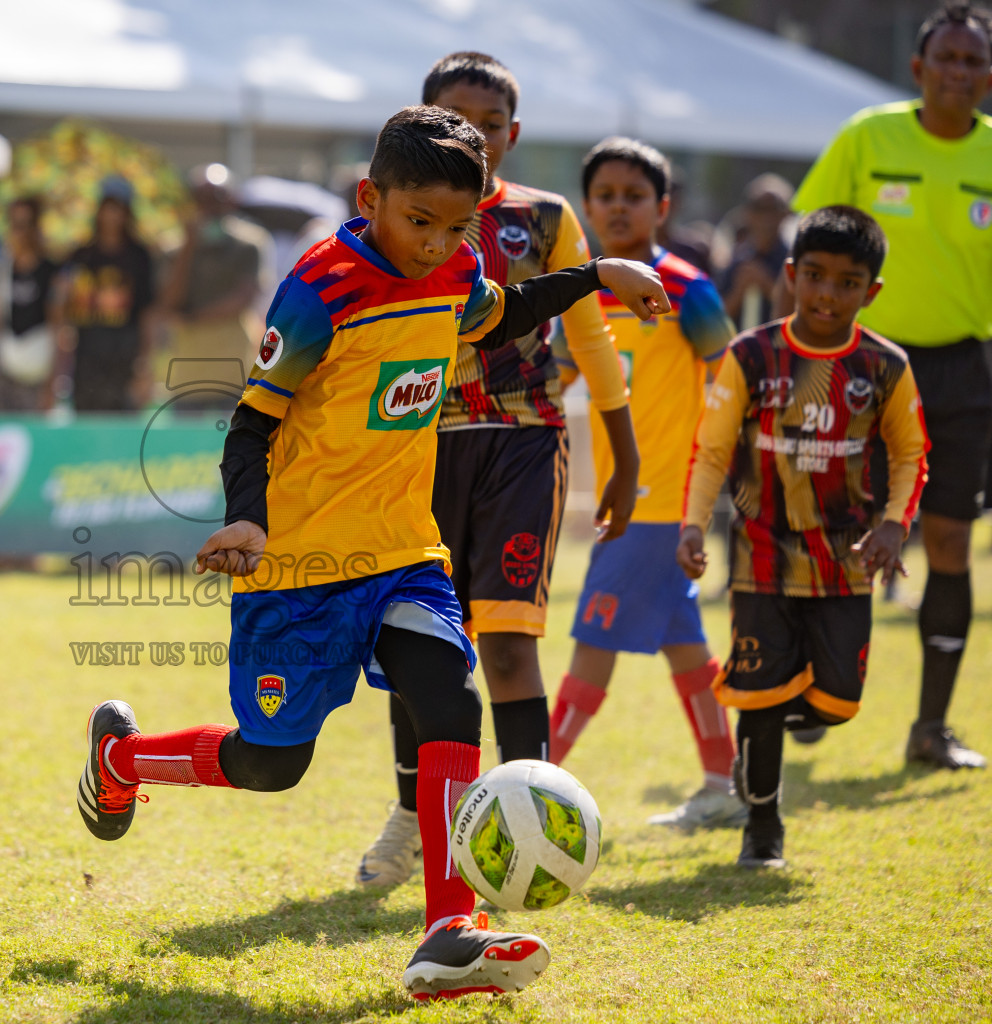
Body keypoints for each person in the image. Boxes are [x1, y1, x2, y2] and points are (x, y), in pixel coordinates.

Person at [76, 106, 670, 1002]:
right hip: (302, 565)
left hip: (403, 547)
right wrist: (246, 519)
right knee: (274, 763)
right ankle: (123, 759)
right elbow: (251, 421)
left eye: (455, 226)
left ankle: (448, 933)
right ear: (371, 198)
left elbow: (500, 313)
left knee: (447, 693)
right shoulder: (319, 289)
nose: (436, 244)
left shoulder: (459, 266)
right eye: (417, 221)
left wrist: (595, 274)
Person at [358, 52, 638, 891]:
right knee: (420, 648)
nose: (474, 134)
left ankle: (544, 818)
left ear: (511, 136)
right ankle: (414, 820)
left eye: (489, 124)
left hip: (522, 443)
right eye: (456, 117)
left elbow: (590, 334)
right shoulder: (395, 214)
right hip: (418, 447)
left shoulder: (545, 218)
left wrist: (623, 458)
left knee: (511, 649)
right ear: (423, 118)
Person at [679, 206, 927, 868]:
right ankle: (763, 830)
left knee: (838, 704)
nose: (827, 293)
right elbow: (710, 451)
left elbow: (910, 456)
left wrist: (895, 525)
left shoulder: (884, 366)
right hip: (760, 553)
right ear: (791, 276)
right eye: (814, 276)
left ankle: (774, 730)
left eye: (847, 283)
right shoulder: (750, 356)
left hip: (844, 558)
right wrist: (693, 524)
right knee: (763, 697)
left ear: (870, 291)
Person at [787, 3, 992, 770]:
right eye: (947, 58)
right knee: (837, 529)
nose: (959, 73)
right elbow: (806, 242)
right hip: (862, 366)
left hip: (963, 370)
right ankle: (812, 684)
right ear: (919, 68)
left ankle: (930, 729)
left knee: (947, 540)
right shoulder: (869, 136)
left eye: (974, 62)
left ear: (988, 76)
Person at [549, 138, 741, 828]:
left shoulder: (686, 287)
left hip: (663, 499)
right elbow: (552, 382)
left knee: (593, 642)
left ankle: (531, 785)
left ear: (662, 208)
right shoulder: (581, 294)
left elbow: (731, 373)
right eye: (605, 196)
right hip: (625, 503)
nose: (619, 207)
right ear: (588, 207)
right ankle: (727, 784)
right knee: (685, 645)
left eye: (634, 196)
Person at [158, 163, 274, 409]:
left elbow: (243, 298)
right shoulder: (173, 247)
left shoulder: (249, 244)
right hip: (186, 375)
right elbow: (169, 303)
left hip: (234, 373)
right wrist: (188, 247)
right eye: (202, 199)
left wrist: (191, 317)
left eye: (217, 198)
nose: (210, 207)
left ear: (231, 201)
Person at [60, 178, 155, 412]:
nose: (112, 215)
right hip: (86, 356)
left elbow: (148, 313)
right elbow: (62, 307)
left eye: (119, 209)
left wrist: (144, 365)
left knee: (123, 429)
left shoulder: (139, 256)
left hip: (124, 355)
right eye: (107, 207)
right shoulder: (82, 255)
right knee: (85, 424)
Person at [0, 196, 61, 412]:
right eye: (14, 224)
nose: (19, 231)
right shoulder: (0, 267)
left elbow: (59, 326)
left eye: (25, 224)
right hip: (4, 370)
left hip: (38, 371)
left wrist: (52, 382)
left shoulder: (50, 271)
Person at [719, 173, 795, 332]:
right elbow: (716, 321)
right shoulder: (736, 261)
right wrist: (739, 291)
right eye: (758, 208)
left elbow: (801, 315)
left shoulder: (793, 261)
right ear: (747, 213)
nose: (766, 218)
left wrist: (768, 285)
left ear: (786, 214)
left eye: (773, 209)